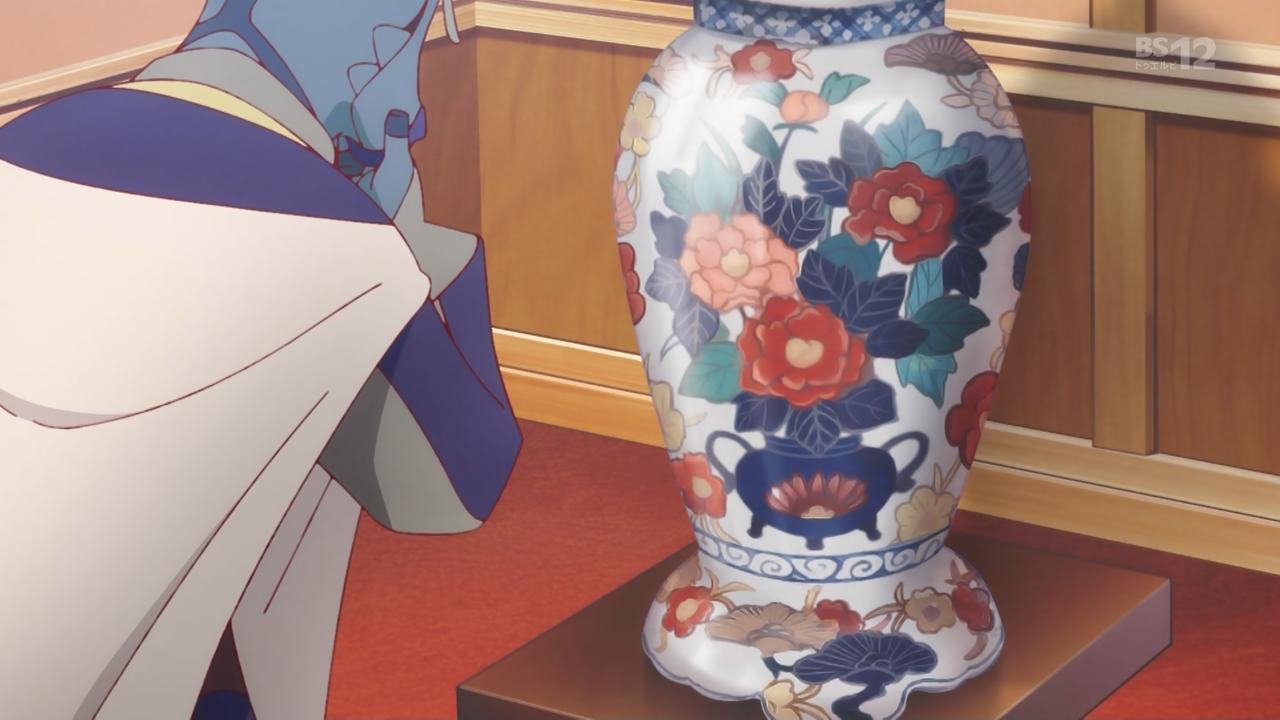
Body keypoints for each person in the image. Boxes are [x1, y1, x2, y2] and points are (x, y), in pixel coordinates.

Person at [0, 1, 520, 717]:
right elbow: (453, 493)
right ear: (375, 47)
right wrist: (415, 237)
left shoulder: (17, 144)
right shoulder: (337, 239)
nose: (418, 112)